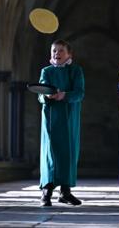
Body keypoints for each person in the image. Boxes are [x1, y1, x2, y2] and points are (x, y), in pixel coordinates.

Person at [38, 39, 85, 206]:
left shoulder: (76, 71)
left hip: (70, 116)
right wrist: (47, 95)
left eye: (60, 51)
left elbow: (79, 93)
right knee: (50, 151)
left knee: (69, 151)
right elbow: (40, 91)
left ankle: (65, 191)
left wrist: (64, 95)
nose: (56, 53)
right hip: (52, 116)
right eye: (54, 51)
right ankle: (47, 190)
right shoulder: (47, 71)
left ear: (69, 54)